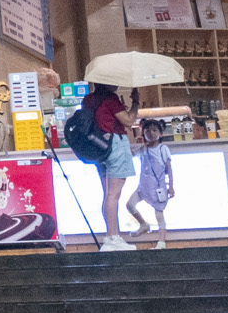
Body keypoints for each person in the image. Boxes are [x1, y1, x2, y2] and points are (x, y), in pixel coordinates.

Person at [65, 83, 138, 250]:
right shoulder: (111, 99)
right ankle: (113, 238)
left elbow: (101, 118)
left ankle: (111, 236)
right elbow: (128, 121)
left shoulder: (89, 98)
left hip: (100, 148)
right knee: (113, 194)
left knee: (107, 194)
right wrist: (135, 103)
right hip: (115, 146)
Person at [128, 118, 172, 247]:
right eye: (147, 130)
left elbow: (169, 168)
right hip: (143, 187)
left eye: (154, 130)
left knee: (159, 215)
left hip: (158, 187)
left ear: (161, 133)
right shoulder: (142, 149)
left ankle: (162, 241)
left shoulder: (163, 149)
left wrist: (171, 187)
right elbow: (132, 154)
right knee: (130, 205)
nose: (151, 133)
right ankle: (143, 224)